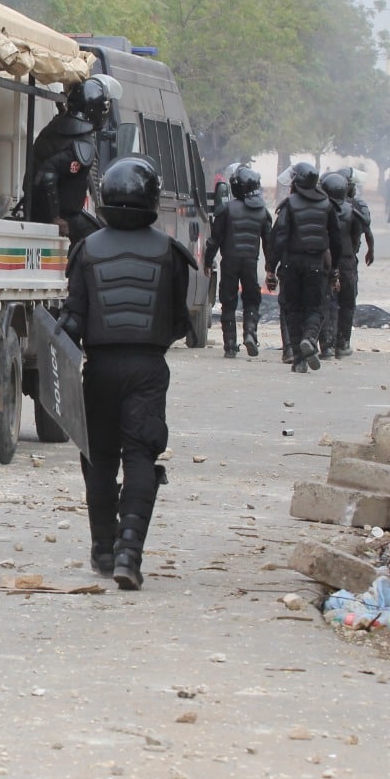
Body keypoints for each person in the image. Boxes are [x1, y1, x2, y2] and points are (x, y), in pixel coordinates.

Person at [60, 156, 194, 591]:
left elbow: (72, 320)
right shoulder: (170, 252)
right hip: (148, 367)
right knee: (140, 457)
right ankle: (128, 554)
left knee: (98, 459)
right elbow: (179, 320)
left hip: (98, 367)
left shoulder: (86, 250)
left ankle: (102, 550)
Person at [29, 75, 123, 246]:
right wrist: (55, 217)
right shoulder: (81, 144)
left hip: (34, 207)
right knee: (102, 244)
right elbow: (48, 173)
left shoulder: (56, 126)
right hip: (63, 216)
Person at [267, 162, 343, 373]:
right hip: (317, 264)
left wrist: (270, 268)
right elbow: (336, 240)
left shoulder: (289, 204)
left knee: (293, 309)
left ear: (297, 181)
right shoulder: (327, 205)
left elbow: (279, 237)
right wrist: (334, 267)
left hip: (291, 264)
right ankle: (310, 338)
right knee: (317, 307)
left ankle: (299, 359)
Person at [203, 164, 270, 359]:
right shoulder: (262, 212)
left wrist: (208, 261)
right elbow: (270, 243)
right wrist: (270, 268)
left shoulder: (226, 209)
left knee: (228, 302)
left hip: (229, 261)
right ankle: (250, 333)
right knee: (252, 299)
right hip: (250, 261)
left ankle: (230, 345)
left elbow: (215, 239)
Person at [317, 171, 374, 360]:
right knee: (347, 302)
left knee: (327, 301)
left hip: (325, 259)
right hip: (347, 260)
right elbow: (359, 234)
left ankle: (326, 345)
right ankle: (342, 343)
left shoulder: (319, 209)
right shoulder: (353, 210)